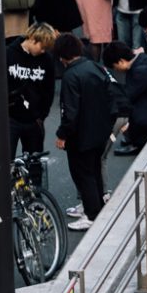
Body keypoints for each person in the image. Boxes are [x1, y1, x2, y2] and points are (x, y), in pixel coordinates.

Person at [55, 32, 117, 230]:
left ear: (62, 56)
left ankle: (91, 214)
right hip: (100, 130)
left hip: (81, 135)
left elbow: (70, 112)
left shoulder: (70, 76)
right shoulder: (94, 66)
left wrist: (62, 134)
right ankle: (98, 207)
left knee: (83, 174)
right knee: (95, 171)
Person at [6, 23, 60, 156]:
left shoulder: (46, 59)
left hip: (34, 120)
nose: (43, 51)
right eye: (42, 47)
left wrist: (41, 116)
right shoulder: (8, 54)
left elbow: (49, 89)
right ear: (32, 39)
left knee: (34, 164)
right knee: (6, 161)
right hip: (10, 118)